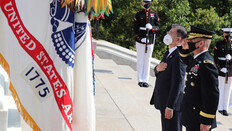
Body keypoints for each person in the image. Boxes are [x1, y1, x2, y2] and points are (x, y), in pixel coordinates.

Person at [179, 25, 219, 131]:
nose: (189, 42)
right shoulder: (197, 59)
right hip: (191, 115)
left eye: (192, 40)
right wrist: (184, 48)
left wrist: (206, 121)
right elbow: (186, 61)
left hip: (199, 119)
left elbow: (211, 96)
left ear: (200, 44)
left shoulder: (206, 64)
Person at [150, 24, 187, 131]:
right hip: (164, 101)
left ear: (178, 39)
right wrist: (157, 69)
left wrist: (171, 106)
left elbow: (178, 83)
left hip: (171, 105)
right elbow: (160, 71)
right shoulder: (169, 52)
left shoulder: (178, 56)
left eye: (170, 33)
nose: (167, 34)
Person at [133, 0, 160, 87]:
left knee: (147, 60)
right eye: (144, 2)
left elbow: (158, 27)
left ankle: (145, 80)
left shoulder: (154, 14)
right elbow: (135, 28)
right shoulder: (139, 14)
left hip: (150, 40)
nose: (146, 4)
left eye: (147, 2)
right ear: (142, 3)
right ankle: (140, 79)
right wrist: (140, 39)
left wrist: (152, 28)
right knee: (140, 59)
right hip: (141, 40)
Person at [214, 28, 232, 116]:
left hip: (230, 70)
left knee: (228, 90)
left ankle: (225, 108)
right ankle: (220, 107)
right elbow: (215, 57)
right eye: (226, 33)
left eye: (229, 33)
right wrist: (220, 68)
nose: (227, 35)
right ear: (223, 34)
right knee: (220, 88)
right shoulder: (219, 43)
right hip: (221, 69)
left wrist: (231, 58)